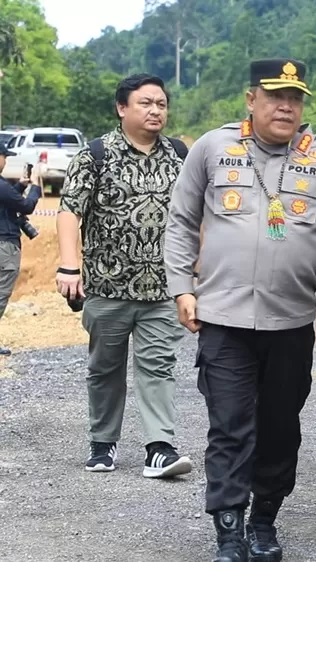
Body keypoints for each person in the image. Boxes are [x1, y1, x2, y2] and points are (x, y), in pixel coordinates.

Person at [164, 58, 316, 562]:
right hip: (223, 319)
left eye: (295, 98)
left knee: (279, 427)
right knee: (230, 425)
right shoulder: (212, 147)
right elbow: (182, 221)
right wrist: (181, 287)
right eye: (275, 96)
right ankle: (228, 530)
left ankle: (264, 520)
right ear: (251, 99)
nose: (285, 106)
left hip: (290, 322)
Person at [56, 73, 193, 478]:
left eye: (161, 104)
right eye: (146, 103)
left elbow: (193, 217)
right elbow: (68, 211)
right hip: (107, 286)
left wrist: (196, 272)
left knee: (159, 365)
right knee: (105, 368)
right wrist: (69, 266)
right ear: (122, 108)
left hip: (163, 289)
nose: (155, 111)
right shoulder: (95, 155)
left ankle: (159, 448)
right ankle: (103, 444)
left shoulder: (180, 155)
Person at [0, 147, 42, 356]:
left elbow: (7, 199)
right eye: (4, 157)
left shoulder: (4, 187)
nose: (5, 162)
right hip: (4, 245)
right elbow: (26, 206)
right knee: (1, 293)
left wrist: (18, 185)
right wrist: (35, 187)